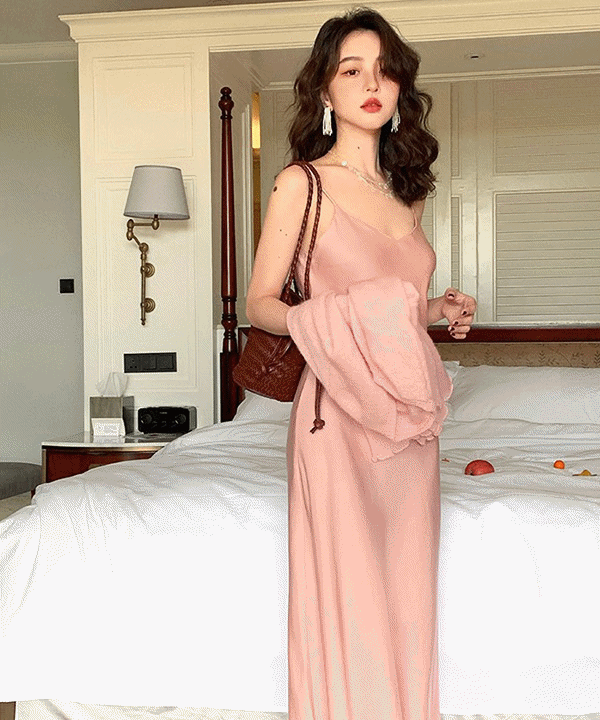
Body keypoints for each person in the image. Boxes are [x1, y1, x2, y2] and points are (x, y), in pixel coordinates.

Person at [246, 7, 476, 720]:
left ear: (400, 88)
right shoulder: (302, 185)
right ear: (325, 89)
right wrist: (335, 318)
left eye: (384, 71)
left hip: (408, 420)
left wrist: (433, 308)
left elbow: (392, 309)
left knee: (406, 591)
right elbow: (260, 303)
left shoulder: (407, 196)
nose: (371, 85)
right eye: (352, 71)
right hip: (338, 416)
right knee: (348, 592)